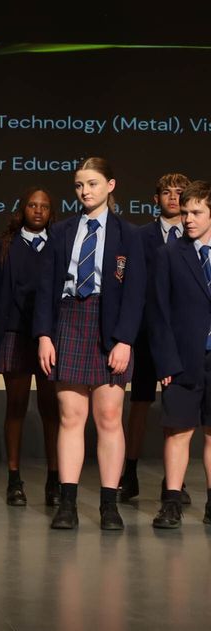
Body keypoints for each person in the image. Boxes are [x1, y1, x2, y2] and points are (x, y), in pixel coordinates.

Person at [35, 157, 146, 531]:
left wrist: (124, 340)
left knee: (109, 417)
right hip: (69, 319)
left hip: (109, 325)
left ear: (110, 186)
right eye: (80, 185)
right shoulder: (61, 231)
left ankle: (109, 505)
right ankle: (67, 503)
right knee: (70, 416)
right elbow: (45, 287)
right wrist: (45, 335)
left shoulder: (129, 234)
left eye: (93, 184)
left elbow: (135, 293)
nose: (85, 191)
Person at [119, 173, 191, 504]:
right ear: (156, 198)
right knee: (140, 403)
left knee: (177, 408)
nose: (173, 197)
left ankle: (175, 482)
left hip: (181, 337)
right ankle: (130, 474)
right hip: (146, 334)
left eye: (179, 192)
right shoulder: (140, 236)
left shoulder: (194, 237)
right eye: (167, 192)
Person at [0, 187, 60, 507]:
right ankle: (14, 479)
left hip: (49, 338)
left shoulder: (59, 244)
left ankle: (54, 479)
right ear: (23, 209)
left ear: (51, 212)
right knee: (16, 406)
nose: (38, 210)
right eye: (32, 205)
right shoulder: (5, 245)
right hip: (15, 333)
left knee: (51, 409)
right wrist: (1, 329)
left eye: (44, 206)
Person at [149, 180, 211, 529]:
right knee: (178, 432)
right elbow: (158, 313)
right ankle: (171, 503)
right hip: (182, 360)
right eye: (185, 212)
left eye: (196, 212)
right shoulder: (169, 254)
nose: (188, 219)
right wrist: (166, 361)